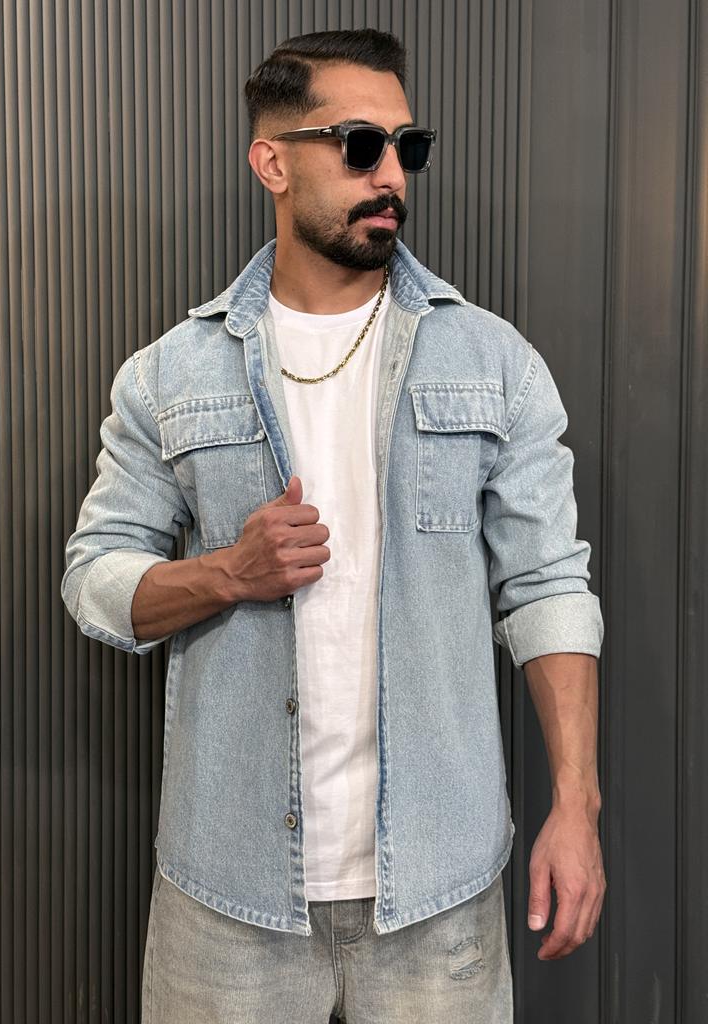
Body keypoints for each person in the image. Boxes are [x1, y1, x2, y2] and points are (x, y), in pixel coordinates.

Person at [61, 28, 606, 1024]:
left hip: (439, 893)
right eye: (360, 146)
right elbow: (95, 581)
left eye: (408, 146)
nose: (392, 174)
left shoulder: (495, 364)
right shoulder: (169, 375)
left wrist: (576, 803)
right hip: (229, 899)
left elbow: (548, 588)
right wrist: (226, 572)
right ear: (272, 162)